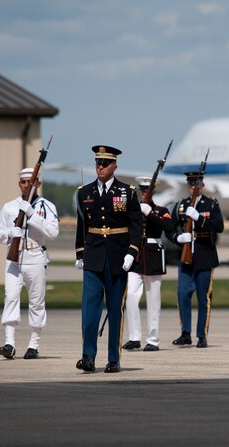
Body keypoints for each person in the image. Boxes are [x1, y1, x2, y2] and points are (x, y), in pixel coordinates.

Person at [74, 145, 143, 373]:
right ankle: (88, 356)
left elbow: (136, 226)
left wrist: (131, 252)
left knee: (115, 310)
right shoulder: (85, 192)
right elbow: (82, 225)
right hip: (93, 256)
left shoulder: (128, 192)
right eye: (97, 163)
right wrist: (80, 253)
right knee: (90, 309)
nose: (100, 167)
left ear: (115, 166)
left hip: (117, 257)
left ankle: (113, 358)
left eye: (105, 163)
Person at [0, 167, 59, 360]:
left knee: (36, 302)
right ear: (19, 184)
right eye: (23, 182)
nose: (26, 185)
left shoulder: (46, 206)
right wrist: (8, 234)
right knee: (11, 297)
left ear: (37, 183)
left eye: (30, 182)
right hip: (14, 257)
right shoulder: (9, 207)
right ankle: (9, 343)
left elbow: (53, 233)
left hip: (36, 256)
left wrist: (32, 215)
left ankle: (33, 344)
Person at [170, 170, 224, 348]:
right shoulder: (180, 205)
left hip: (204, 256)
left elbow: (219, 226)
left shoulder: (211, 204)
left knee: (203, 298)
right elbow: (169, 227)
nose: (193, 187)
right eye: (191, 183)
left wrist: (199, 218)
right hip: (186, 257)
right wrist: (177, 238)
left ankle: (202, 335)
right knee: (182, 294)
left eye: (197, 183)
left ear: (203, 185)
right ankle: (186, 333)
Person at [122, 176, 177, 352]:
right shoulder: (133, 210)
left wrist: (150, 213)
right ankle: (134, 337)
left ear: (153, 192)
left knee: (153, 300)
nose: (144, 193)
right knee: (131, 295)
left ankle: (153, 339)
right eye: (142, 190)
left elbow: (169, 226)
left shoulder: (160, 210)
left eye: (148, 190)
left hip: (153, 256)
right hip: (136, 256)